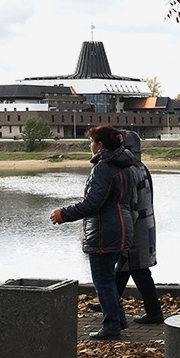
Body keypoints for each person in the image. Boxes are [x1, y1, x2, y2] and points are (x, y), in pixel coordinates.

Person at [50, 124, 136, 340]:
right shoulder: (126, 166)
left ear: (100, 145)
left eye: (91, 142)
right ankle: (119, 319)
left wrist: (63, 214)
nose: (90, 146)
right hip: (122, 228)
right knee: (107, 277)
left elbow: (92, 204)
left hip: (105, 230)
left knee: (102, 280)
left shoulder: (103, 168)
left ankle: (111, 326)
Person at [116, 131, 163, 324]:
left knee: (138, 270)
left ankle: (154, 312)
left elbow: (132, 204)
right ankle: (108, 300)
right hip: (146, 225)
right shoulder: (141, 167)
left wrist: (123, 228)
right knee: (125, 268)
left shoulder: (131, 171)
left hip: (136, 228)